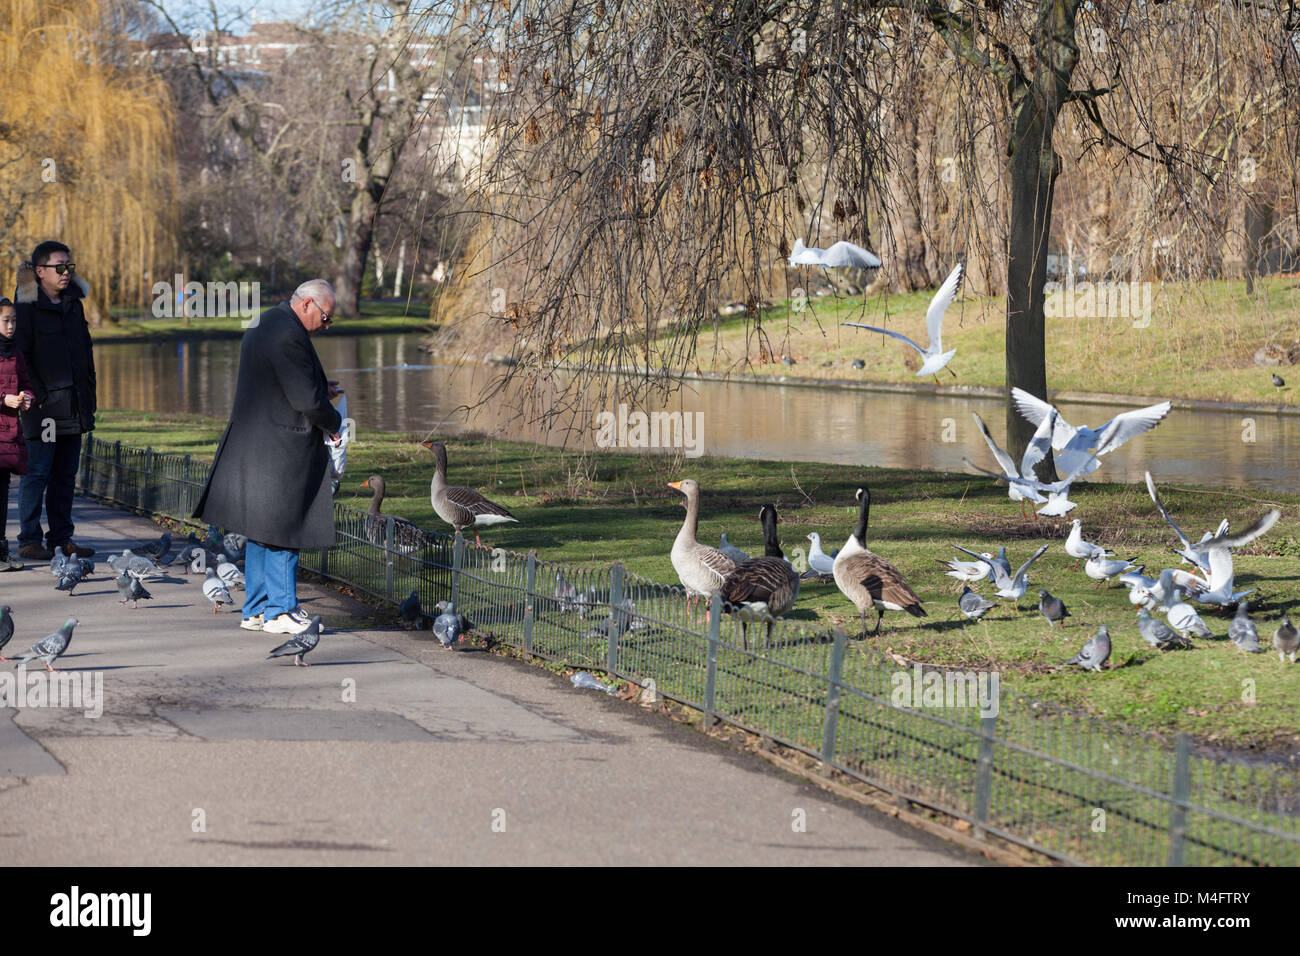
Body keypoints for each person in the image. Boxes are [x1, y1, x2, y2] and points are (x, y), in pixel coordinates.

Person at [194, 279, 344, 635]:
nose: (325, 326)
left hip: (258, 442)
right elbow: (305, 402)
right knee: (284, 528)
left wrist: (321, 389)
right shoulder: (287, 334)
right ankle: (281, 609)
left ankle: (256, 609)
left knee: (261, 530)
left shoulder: (268, 321)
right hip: (281, 448)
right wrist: (334, 420)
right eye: (325, 318)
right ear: (307, 304)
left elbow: (279, 382)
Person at [13, 241, 96, 560]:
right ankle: (29, 540)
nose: (66, 273)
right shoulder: (27, 307)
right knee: (38, 473)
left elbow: (84, 353)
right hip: (44, 410)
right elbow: (23, 357)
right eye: (59, 267)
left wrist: (89, 397)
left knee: (65, 476)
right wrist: (39, 397)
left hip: (74, 406)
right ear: (40, 271)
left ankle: (62, 539)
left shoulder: (74, 304)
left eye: (69, 267)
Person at [0, 298, 35, 570]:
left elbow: (25, 382)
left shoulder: (16, 352)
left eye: (13, 320)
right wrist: (3, 400)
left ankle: (2, 553)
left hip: (8, 433)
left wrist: (26, 398)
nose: (11, 326)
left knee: (3, 495)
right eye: (5, 321)